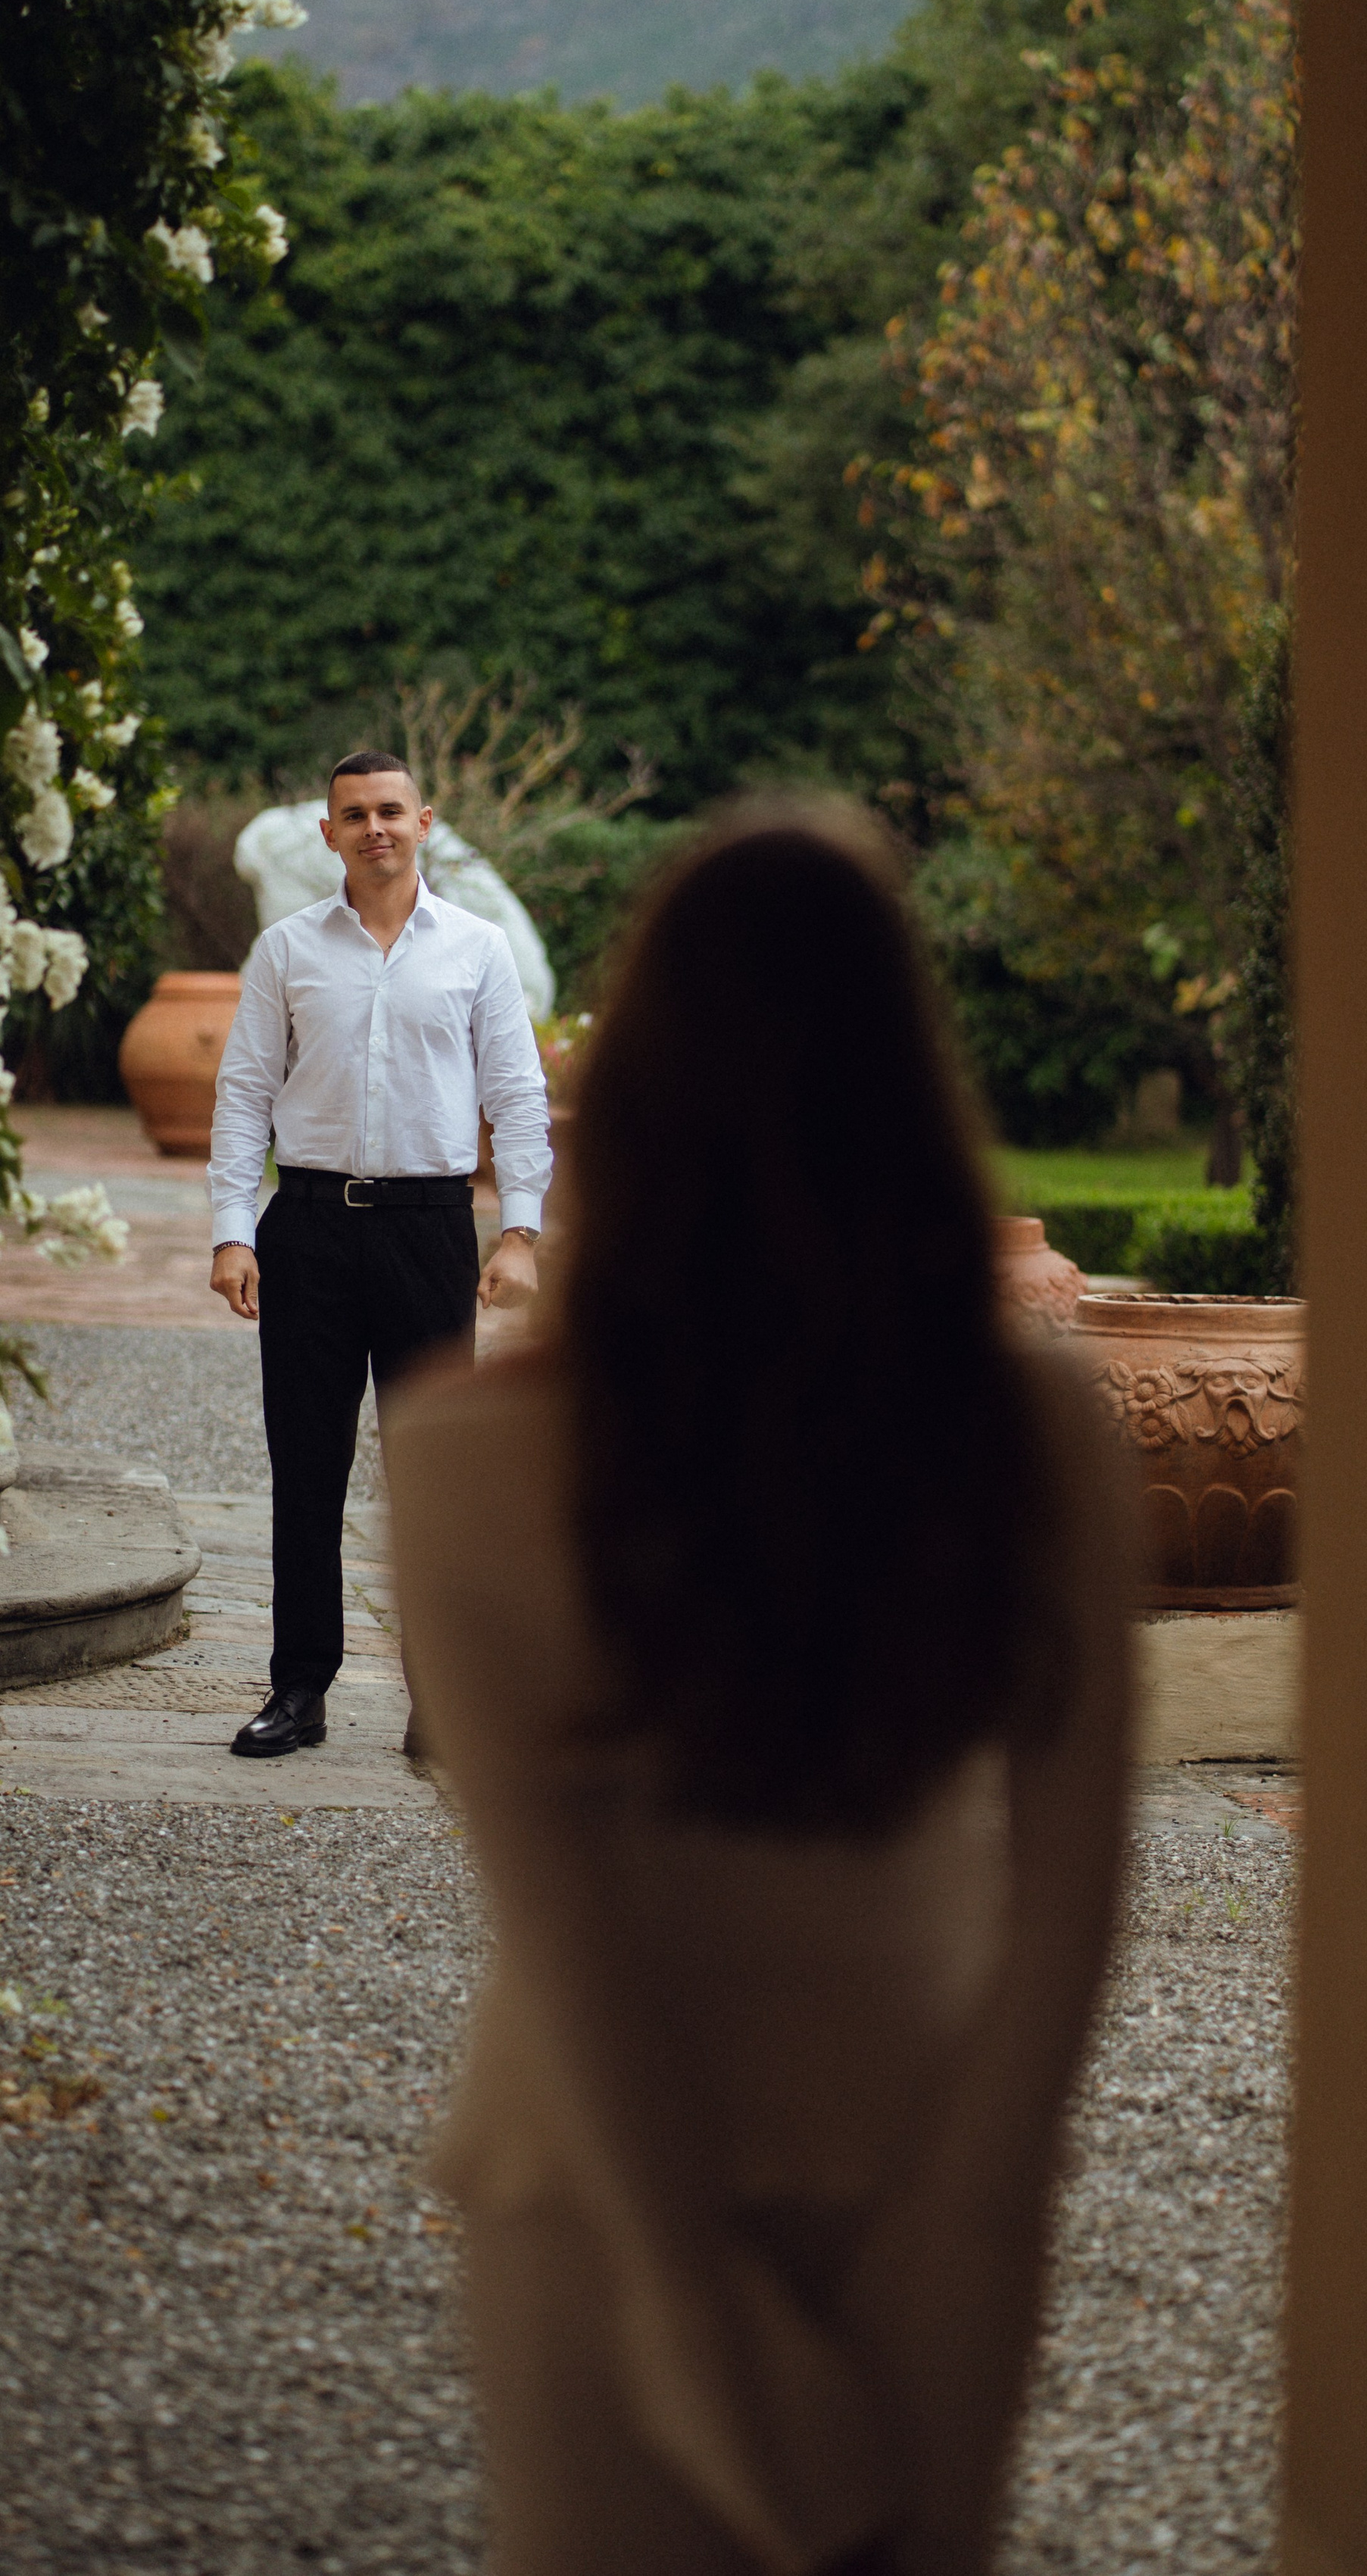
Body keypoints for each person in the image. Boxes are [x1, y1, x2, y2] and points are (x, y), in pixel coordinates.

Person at [382, 801, 1137, 2576]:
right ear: (910, 1088)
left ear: (629, 1089)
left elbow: (559, 1914)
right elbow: (1073, 1895)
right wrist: (974, 2198)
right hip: (925, 2139)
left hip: (588, 2181)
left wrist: (684, 2296)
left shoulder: (462, 1455)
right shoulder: (1045, 1433)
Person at [208, 751, 550, 1758]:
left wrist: (520, 1230)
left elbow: (518, 1096)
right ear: (328, 834)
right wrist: (234, 1228)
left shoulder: (479, 950)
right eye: (354, 814)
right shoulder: (285, 950)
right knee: (304, 1468)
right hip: (308, 1227)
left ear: (425, 821)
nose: (375, 828)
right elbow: (242, 1096)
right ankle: (299, 1690)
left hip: (429, 1231)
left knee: (435, 1473)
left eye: (391, 810)